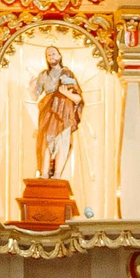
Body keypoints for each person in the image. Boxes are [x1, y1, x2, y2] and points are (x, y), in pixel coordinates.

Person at [33, 46, 83, 182]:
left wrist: (65, 93)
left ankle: (57, 175)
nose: (51, 57)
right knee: (46, 141)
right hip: (48, 110)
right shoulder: (43, 75)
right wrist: (31, 86)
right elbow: (34, 96)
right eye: (48, 55)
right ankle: (44, 173)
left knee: (62, 141)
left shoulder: (67, 73)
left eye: (54, 54)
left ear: (60, 56)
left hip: (63, 111)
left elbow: (77, 98)